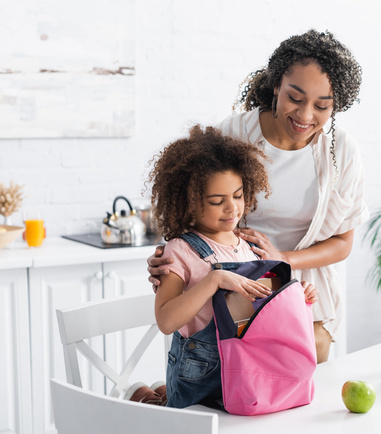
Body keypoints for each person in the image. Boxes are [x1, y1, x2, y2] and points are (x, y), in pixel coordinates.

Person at [147, 30, 368, 363]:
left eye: (323, 106)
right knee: (234, 388)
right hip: (229, 296)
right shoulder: (234, 134)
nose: (306, 115)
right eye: (295, 97)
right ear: (276, 85)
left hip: (304, 294)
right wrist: (175, 263)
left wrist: (283, 261)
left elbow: (343, 243)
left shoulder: (341, 152)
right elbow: (194, 212)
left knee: (297, 396)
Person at [148, 125, 319, 408]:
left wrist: (298, 296)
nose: (232, 209)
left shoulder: (247, 246)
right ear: (189, 202)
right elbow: (166, 322)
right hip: (200, 384)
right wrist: (213, 280)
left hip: (246, 375)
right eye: (217, 201)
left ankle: (150, 394)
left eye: (237, 196)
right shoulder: (180, 251)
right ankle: (145, 396)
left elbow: (261, 310)